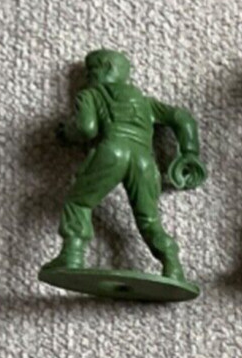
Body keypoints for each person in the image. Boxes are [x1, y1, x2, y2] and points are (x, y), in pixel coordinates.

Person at [42, 49, 205, 281]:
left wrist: (66, 133)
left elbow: (86, 128)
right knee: (149, 218)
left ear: (106, 69)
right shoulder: (145, 102)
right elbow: (182, 118)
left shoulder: (90, 94)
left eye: (91, 71)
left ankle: (72, 254)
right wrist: (190, 152)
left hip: (112, 151)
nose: (89, 77)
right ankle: (172, 265)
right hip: (145, 160)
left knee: (79, 202)